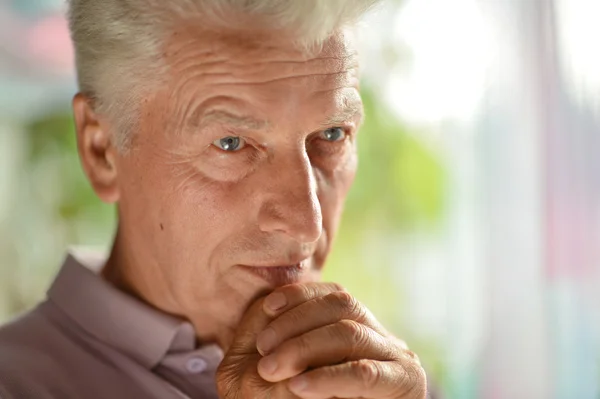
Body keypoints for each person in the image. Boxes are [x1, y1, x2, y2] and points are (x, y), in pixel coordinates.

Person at [0, 1, 428, 398]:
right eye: (231, 142)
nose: (306, 222)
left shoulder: (384, 381)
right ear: (102, 151)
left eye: (332, 134)